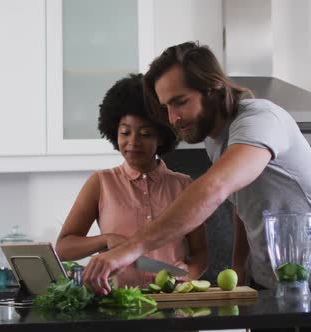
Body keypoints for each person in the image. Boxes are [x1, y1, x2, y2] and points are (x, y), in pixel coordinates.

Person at [81, 41, 311, 295]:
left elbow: (216, 188)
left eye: (180, 102)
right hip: (267, 283)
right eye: (166, 108)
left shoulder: (260, 120)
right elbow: (242, 203)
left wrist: (130, 249)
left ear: (213, 88)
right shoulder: (215, 140)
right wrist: (239, 267)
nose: (173, 118)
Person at [56, 73, 208, 287]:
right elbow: (63, 248)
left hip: (174, 306)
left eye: (145, 134)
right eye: (125, 133)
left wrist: (188, 275)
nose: (133, 142)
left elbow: (200, 253)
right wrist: (106, 239)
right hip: (118, 306)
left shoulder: (183, 186)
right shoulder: (101, 183)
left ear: (162, 137)